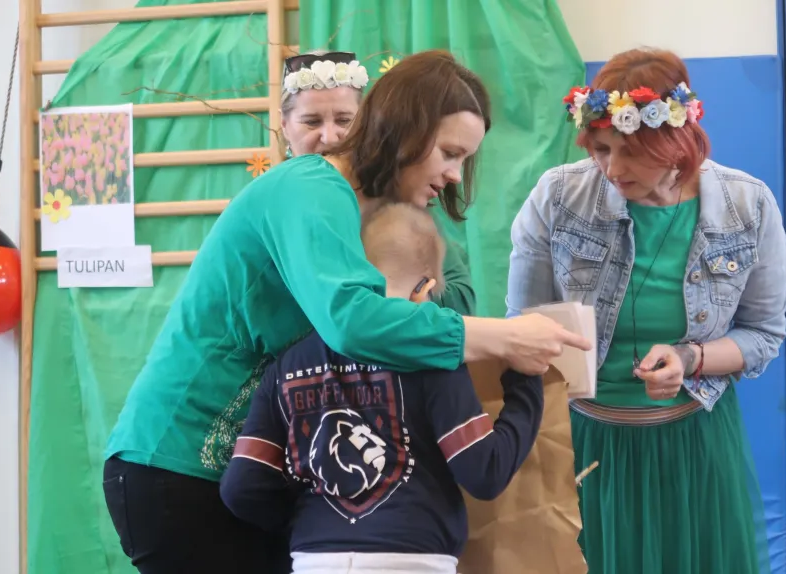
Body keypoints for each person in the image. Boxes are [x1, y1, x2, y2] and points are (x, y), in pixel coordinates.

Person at [102, 49, 590, 574]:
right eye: (449, 153)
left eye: (463, 160)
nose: (454, 174)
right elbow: (352, 320)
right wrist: (505, 338)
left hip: (240, 482)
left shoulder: (365, 206)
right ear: (407, 129)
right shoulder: (308, 187)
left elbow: (434, 297)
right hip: (179, 470)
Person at [505, 47, 786, 574]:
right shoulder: (559, 197)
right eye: (600, 150)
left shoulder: (747, 205)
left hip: (694, 445)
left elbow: (764, 334)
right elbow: (523, 329)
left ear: (677, 141)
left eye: (631, 152)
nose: (613, 169)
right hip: (582, 444)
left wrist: (690, 358)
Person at [219, 202, 543, 574]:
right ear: (425, 289)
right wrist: (526, 383)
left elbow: (241, 486)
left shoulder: (286, 366)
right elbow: (484, 471)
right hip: (413, 559)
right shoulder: (432, 356)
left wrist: (311, 517)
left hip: (314, 560)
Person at [282, 49, 476, 314]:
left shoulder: (400, 200)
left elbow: (462, 297)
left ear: (366, 122)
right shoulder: (280, 202)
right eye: (312, 122)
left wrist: (404, 289)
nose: (330, 136)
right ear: (285, 125)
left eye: (344, 120)